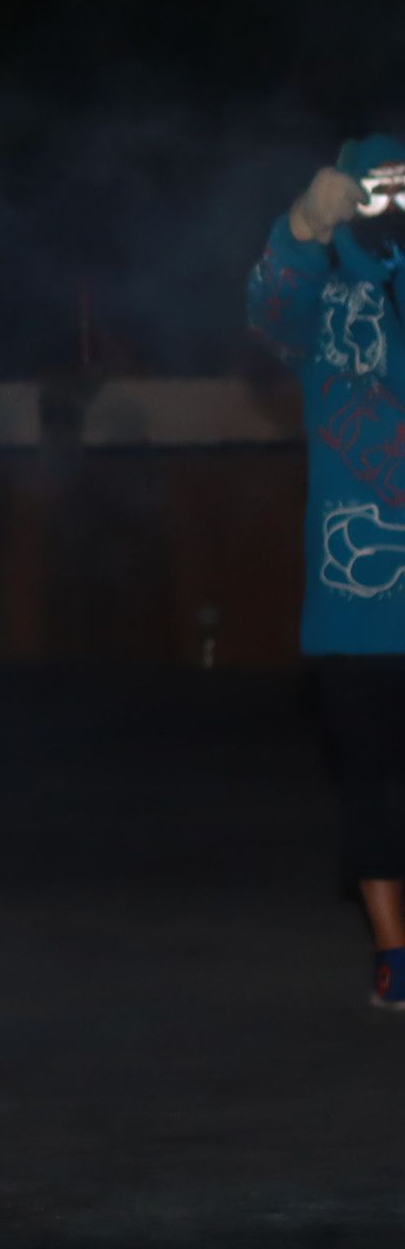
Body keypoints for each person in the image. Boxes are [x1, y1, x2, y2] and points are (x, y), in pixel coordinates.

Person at [246, 133, 405, 1009]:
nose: (388, 202)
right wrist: (303, 226)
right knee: (372, 782)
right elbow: (269, 308)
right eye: (372, 187)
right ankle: (395, 951)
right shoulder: (325, 297)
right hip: (357, 603)